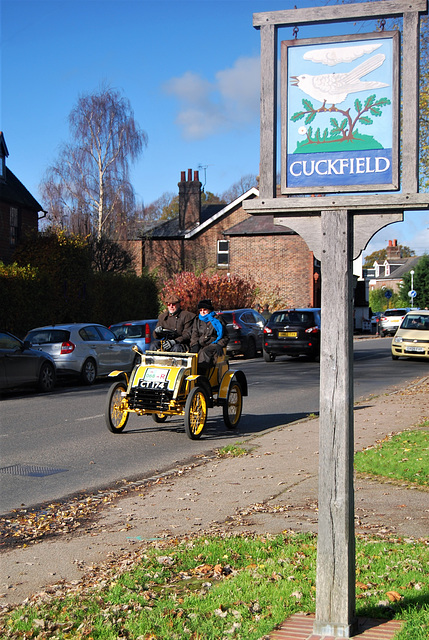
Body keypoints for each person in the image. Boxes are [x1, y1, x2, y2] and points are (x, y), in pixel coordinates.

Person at [190, 299, 229, 374]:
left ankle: (202, 374)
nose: (202, 312)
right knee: (192, 354)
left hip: (213, 344)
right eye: (200, 310)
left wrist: (220, 344)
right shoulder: (197, 320)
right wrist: (194, 345)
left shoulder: (217, 320)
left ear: (209, 310)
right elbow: (194, 334)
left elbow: (225, 336)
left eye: (205, 310)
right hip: (200, 344)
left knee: (204, 352)